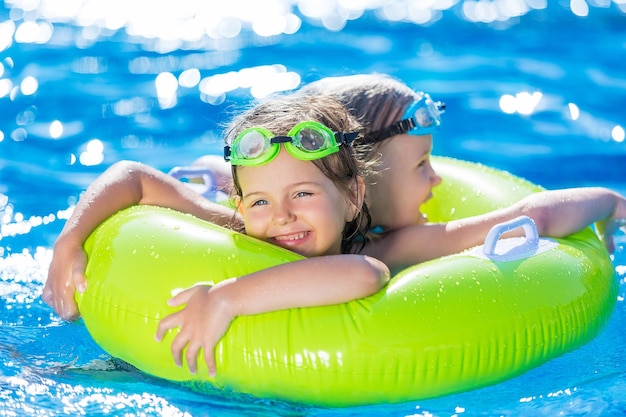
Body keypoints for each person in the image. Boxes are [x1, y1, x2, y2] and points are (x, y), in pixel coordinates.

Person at [43, 95, 390, 376]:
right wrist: (69, 242)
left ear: (351, 198)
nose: (282, 216)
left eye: (303, 194)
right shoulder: (240, 233)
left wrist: (224, 299)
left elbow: (363, 273)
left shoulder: (364, 254)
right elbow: (133, 177)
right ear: (240, 207)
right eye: (261, 201)